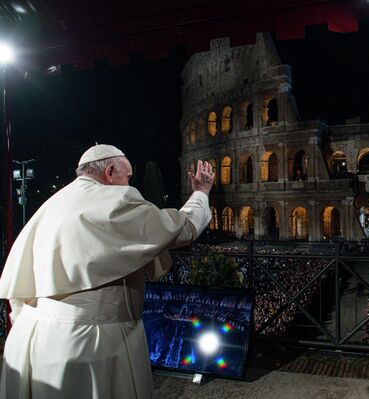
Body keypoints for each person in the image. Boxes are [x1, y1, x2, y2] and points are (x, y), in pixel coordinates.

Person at [0, 144, 214, 398]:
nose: (129, 183)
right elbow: (182, 229)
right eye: (128, 176)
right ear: (110, 172)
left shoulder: (50, 205)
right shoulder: (117, 199)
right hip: (93, 343)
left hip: (32, 338)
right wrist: (201, 193)